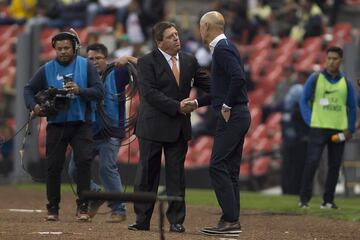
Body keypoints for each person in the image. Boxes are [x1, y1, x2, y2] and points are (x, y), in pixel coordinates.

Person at [128, 21, 210, 233]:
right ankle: (142, 219)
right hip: (153, 126)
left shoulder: (190, 61)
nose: (176, 38)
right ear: (159, 41)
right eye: (171, 36)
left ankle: (176, 221)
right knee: (147, 174)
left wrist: (204, 99)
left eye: (177, 34)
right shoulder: (146, 62)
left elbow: (210, 85)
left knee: (176, 176)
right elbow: (150, 93)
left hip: (178, 128)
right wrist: (178, 106)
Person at [23, 30, 104, 221]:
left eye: (67, 47)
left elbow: (99, 91)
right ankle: (52, 208)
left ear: (75, 47)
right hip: (56, 124)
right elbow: (28, 89)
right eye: (59, 48)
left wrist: (79, 90)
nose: (63, 51)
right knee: (53, 167)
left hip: (81, 124)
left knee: (84, 163)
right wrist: (34, 106)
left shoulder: (87, 66)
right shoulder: (46, 68)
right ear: (54, 49)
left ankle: (83, 207)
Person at [194, 11, 251, 236]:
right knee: (230, 170)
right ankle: (231, 221)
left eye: (201, 26)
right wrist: (197, 102)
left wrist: (226, 106)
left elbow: (239, 79)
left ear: (207, 26)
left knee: (217, 165)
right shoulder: (226, 47)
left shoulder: (222, 49)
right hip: (239, 113)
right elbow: (220, 89)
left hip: (233, 114)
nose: (200, 31)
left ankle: (229, 219)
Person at [67, 43, 137, 223]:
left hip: (110, 132)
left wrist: (128, 58)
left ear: (106, 59)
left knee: (107, 168)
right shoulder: (81, 78)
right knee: (74, 170)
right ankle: (96, 194)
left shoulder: (118, 73)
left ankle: (118, 209)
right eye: (90, 59)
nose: (95, 62)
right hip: (87, 132)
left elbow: (147, 67)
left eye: (99, 58)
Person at [298, 46, 356, 209]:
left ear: (341, 60)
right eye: (329, 58)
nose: (331, 62)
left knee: (335, 166)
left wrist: (350, 129)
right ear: (326, 59)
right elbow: (303, 100)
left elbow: (352, 107)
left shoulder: (346, 83)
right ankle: (304, 199)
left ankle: (328, 201)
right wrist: (310, 119)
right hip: (318, 127)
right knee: (312, 162)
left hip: (338, 129)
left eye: (335, 59)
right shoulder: (315, 78)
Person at [281, 71, 309, 195]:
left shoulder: (294, 89)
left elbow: (285, 108)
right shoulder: (300, 89)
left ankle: (287, 189)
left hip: (289, 134)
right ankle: (294, 190)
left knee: (288, 163)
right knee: (297, 165)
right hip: (299, 135)